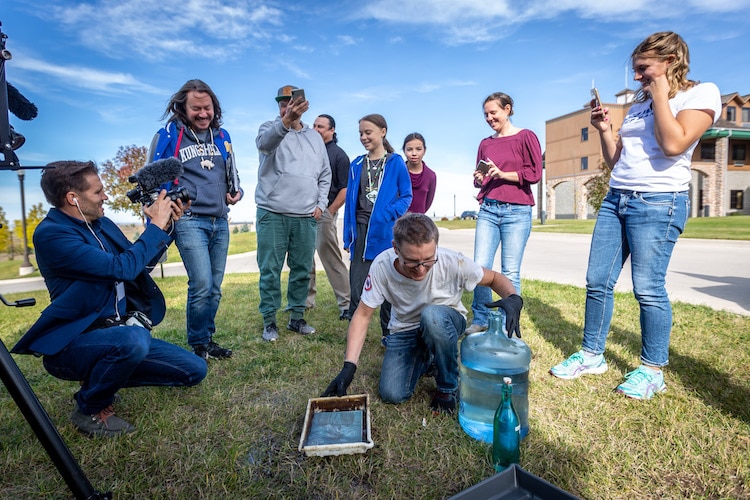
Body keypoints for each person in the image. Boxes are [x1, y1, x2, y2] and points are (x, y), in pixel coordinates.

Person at [550, 32, 722, 400]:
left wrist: (660, 91)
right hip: (617, 198)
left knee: (647, 288)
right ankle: (592, 355)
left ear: (671, 60)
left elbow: (674, 143)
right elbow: (617, 161)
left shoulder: (700, 94)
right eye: (636, 71)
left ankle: (651, 370)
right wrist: (604, 131)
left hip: (659, 202)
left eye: (644, 69)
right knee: (597, 279)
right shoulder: (641, 103)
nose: (638, 78)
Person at [11, 161, 207, 437]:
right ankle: (90, 407)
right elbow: (121, 268)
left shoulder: (102, 225)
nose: (106, 197)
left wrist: (168, 224)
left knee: (194, 370)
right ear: (73, 198)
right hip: (74, 343)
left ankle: (100, 378)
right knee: (133, 341)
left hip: (117, 333)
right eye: (98, 192)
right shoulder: (52, 234)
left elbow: (138, 263)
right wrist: (154, 224)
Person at [323, 213, 523, 414]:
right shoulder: (382, 266)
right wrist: (349, 367)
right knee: (392, 394)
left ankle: (447, 387)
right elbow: (363, 315)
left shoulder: (452, 261)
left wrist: (513, 298)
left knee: (433, 317)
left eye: (428, 260)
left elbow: (494, 278)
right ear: (396, 249)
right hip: (405, 329)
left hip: (447, 320)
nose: (420, 269)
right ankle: (429, 356)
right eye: (411, 262)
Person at [148, 79, 242, 360]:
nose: (203, 114)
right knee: (201, 283)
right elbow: (151, 177)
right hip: (188, 219)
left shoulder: (223, 136)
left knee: (214, 288)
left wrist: (235, 191)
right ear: (182, 108)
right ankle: (199, 345)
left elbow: (230, 174)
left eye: (207, 108)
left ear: (215, 107)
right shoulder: (170, 135)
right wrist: (158, 208)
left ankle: (207, 339)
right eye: (196, 109)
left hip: (220, 220)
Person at [255, 85, 331, 341]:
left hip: (306, 215)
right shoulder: (269, 128)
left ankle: (296, 317)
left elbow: (324, 174)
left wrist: (320, 204)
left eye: (292, 102)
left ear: (303, 103)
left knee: (301, 269)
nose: (287, 107)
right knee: (270, 269)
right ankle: (269, 321)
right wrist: (286, 121)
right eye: (282, 103)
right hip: (273, 212)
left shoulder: (314, 138)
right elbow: (265, 145)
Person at [465, 92, 542, 335]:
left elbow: (534, 174)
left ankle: (505, 323)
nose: (489, 118)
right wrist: (480, 178)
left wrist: (502, 174)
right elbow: (481, 181)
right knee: (480, 268)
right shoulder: (485, 144)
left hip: (517, 212)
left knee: (510, 271)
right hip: (488, 209)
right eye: (486, 114)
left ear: (507, 109)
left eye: (493, 112)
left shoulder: (526, 136)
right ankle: (481, 319)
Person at [343, 114, 412, 335]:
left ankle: (388, 333)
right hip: (361, 234)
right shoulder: (356, 164)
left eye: (368, 132)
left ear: (383, 132)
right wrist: (348, 236)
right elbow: (349, 204)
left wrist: (388, 213)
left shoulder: (395, 162)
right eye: (361, 133)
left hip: (385, 232)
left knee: (389, 285)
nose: (363, 137)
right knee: (357, 287)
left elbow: (406, 196)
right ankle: (355, 333)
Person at [306, 114, 352, 320]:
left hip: (324, 212)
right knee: (304, 259)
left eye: (321, 127)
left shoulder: (339, 155)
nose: (316, 129)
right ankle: (305, 302)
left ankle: (346, 304)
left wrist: (330, 211)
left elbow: (345, 189)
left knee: (331, 259)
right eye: (314, 125)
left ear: (332, 130)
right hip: (304, 212)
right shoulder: (310, 151)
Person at [402, 132, 436, 214]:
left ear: (424, 150)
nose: (414, 153)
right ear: (404, 151)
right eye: (409, 149)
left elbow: (427, 204)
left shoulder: (431, 176)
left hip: (419, 223)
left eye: (418, 149)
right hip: (397, 222)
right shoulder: (398, 172)